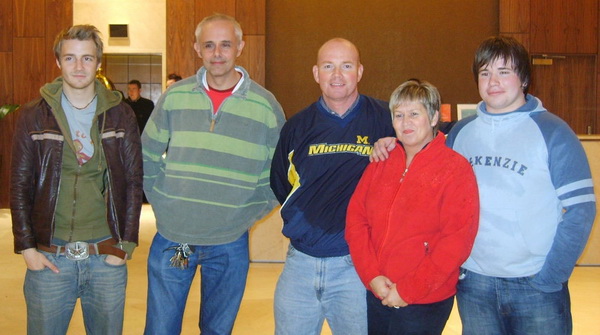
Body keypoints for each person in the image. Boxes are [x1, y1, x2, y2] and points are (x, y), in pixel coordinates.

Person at [372, 36, 596, 335]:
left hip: (536, 286)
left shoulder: (554, 132)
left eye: (504, 71)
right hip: (474, 285)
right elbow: (420, 149)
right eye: (485, 72)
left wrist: (551, 277)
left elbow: (580, 210)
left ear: (524, 78)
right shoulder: (460, 133)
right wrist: (391, 144)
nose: (493, 81)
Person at [141, 14, 285, 335]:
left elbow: (278, 171)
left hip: (229, 245)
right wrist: (164, 205)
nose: (217, 53)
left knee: (217, 330)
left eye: (225, 45)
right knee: (162, 328)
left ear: (239, 47)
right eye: (209, 45)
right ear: (197, 49)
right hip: (177, 243)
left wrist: (248, 214)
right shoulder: (175, 97)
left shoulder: (265, 105)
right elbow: (147, 156)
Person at [10, 24, 142, 334]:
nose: (79, 66)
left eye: (87, 58)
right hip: (50, 256)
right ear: (58, 62)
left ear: (99, 63)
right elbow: (19, 183)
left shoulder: (120, 114)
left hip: (105, 254)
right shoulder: (33, 116)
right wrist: (28, 247)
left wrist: (126, 245)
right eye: (70, 58)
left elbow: (134, 181)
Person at [270, 38, 394, 335]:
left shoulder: (387, 120)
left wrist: (397, 145)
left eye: (346, 66)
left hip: (357, 267)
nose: (337, 75)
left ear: (360, 71)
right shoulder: (297, 126)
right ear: (316, 73)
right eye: (328, 66)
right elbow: (280, 185)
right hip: (300, 264)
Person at [345, 79, 479, 334]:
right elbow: (356, 220)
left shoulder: (455, 168)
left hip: (424, 300)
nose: (405, 122)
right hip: (378, 290)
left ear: (433, 117)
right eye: (399, 115)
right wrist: (371, 276)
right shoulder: (380, 161)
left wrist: (408, 289)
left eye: (414, 114)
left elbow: (456, 241)